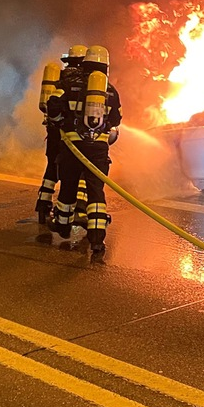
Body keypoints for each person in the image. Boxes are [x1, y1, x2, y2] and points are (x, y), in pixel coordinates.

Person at [47, 45, 121, 255]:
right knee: (96, 191)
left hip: (72, 146)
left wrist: (59, 121)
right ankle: (97, 239)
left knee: (69, 186)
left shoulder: (69, 84)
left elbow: (53, 105)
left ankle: (63, 226)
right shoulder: (111, 90)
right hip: (98, 150)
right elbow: (116, 120)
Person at [35, 45, 87, 224]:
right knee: (79, 169)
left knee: (52, 167)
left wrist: (56, 122)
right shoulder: (84, 82)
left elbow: (50, 106)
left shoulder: (59, 79)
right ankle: (78, 208)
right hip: (70, 136)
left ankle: (43, 204)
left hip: (53, 132)